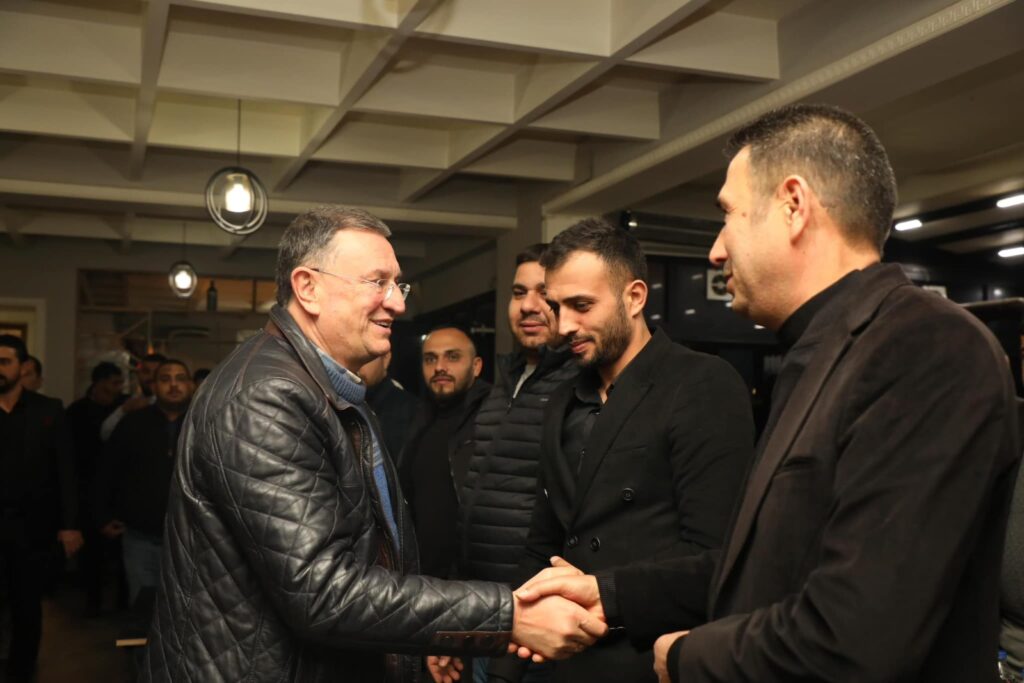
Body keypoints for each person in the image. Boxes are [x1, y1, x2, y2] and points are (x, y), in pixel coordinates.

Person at [513, 104, 1020, 683]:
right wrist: (609, 592)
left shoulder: (924, 346)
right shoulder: (824, 352)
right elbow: (759, 569)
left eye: (728, 214)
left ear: (793, 205)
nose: (716, 250)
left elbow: (855, 636)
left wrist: (686, 658)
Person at [141, 205, 607, 683]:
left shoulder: (331, 387)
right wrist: (508, 616)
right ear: (308, 288)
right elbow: (322, 593)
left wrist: (438, 634)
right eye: (377, 282)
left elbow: (376, 551)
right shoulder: (267, 396)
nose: (397, 304)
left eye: (397, 285)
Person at [497, 219, 751, 683]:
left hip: (648, 657)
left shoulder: (702, 384)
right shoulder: (562, 400)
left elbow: (720, 558)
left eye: (582, 306)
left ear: (634, 297)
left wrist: (604, 592)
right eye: (556, 307)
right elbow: (542, 543)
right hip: (561, 664)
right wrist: (506, 651)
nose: (564, 326)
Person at [459, 243, 580, 682]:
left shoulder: (578, 385)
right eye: (518, 292)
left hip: (535, 621)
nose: (528, 305)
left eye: (543, 293)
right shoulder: (504, 380)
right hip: (482, 606)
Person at [0, 334, 83, 682]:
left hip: (31, 529)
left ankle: (21, 672)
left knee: (27, 606)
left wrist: (70, 525)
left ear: (23, 367)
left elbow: (66, 471)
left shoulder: (48, 410)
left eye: (4, 361)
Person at [96, 359, 194, 604]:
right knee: (143, 609)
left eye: (180, 378)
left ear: (191, 385)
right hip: (140, 537)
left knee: (187, 611)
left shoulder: (204, 423)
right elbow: (107, 471)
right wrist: (103, 515)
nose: (173, 385)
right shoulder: (133, 423)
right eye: (165, 379)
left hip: (192, 538)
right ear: (153, 386)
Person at [399, 326, 490, 579]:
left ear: (476, 366)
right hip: (422, 579)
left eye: (453, 357)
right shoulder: (418, 418)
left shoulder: (495, 417)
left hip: (475, 581)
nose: (440, 367)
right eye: (430, 359)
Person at [66, 361, 127, 614]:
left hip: (117, 489)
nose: (119, 387)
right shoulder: (77, 411)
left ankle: (123, 605)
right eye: (114, 382)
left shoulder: (123, 406)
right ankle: (92, 602)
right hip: (86, 488)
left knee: (121, 551)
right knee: (91, 551)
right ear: (99, 383)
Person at [360, 350, 418, 464]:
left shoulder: (411, 411)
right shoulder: (341, 403)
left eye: (365, 357)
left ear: (385, 358)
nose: (357, 365)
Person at [100, 352, 166, 441]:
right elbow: (105, 434)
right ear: (138, 374)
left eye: (156, 372)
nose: (151, 377)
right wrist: (123, 410)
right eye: (146, 372)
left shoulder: (172, 404)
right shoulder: (129, 402)